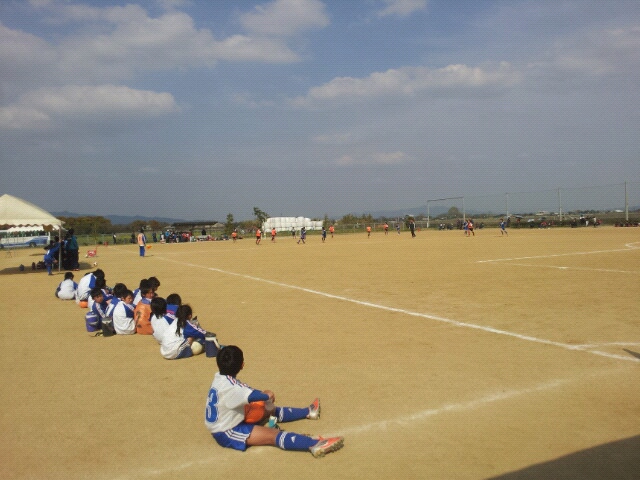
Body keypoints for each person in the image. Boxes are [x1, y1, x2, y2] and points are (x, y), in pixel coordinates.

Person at [204, 345, 344, 458]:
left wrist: (264, 400)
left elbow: (246, 391)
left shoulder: (220, 377)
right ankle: (314, 444)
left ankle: (309, 411)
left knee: (266, 409)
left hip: (230, 418)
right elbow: (252, 394)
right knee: (273, 435)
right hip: (227, 431)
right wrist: (267, 396)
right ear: (242, 365)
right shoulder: (233, 388)